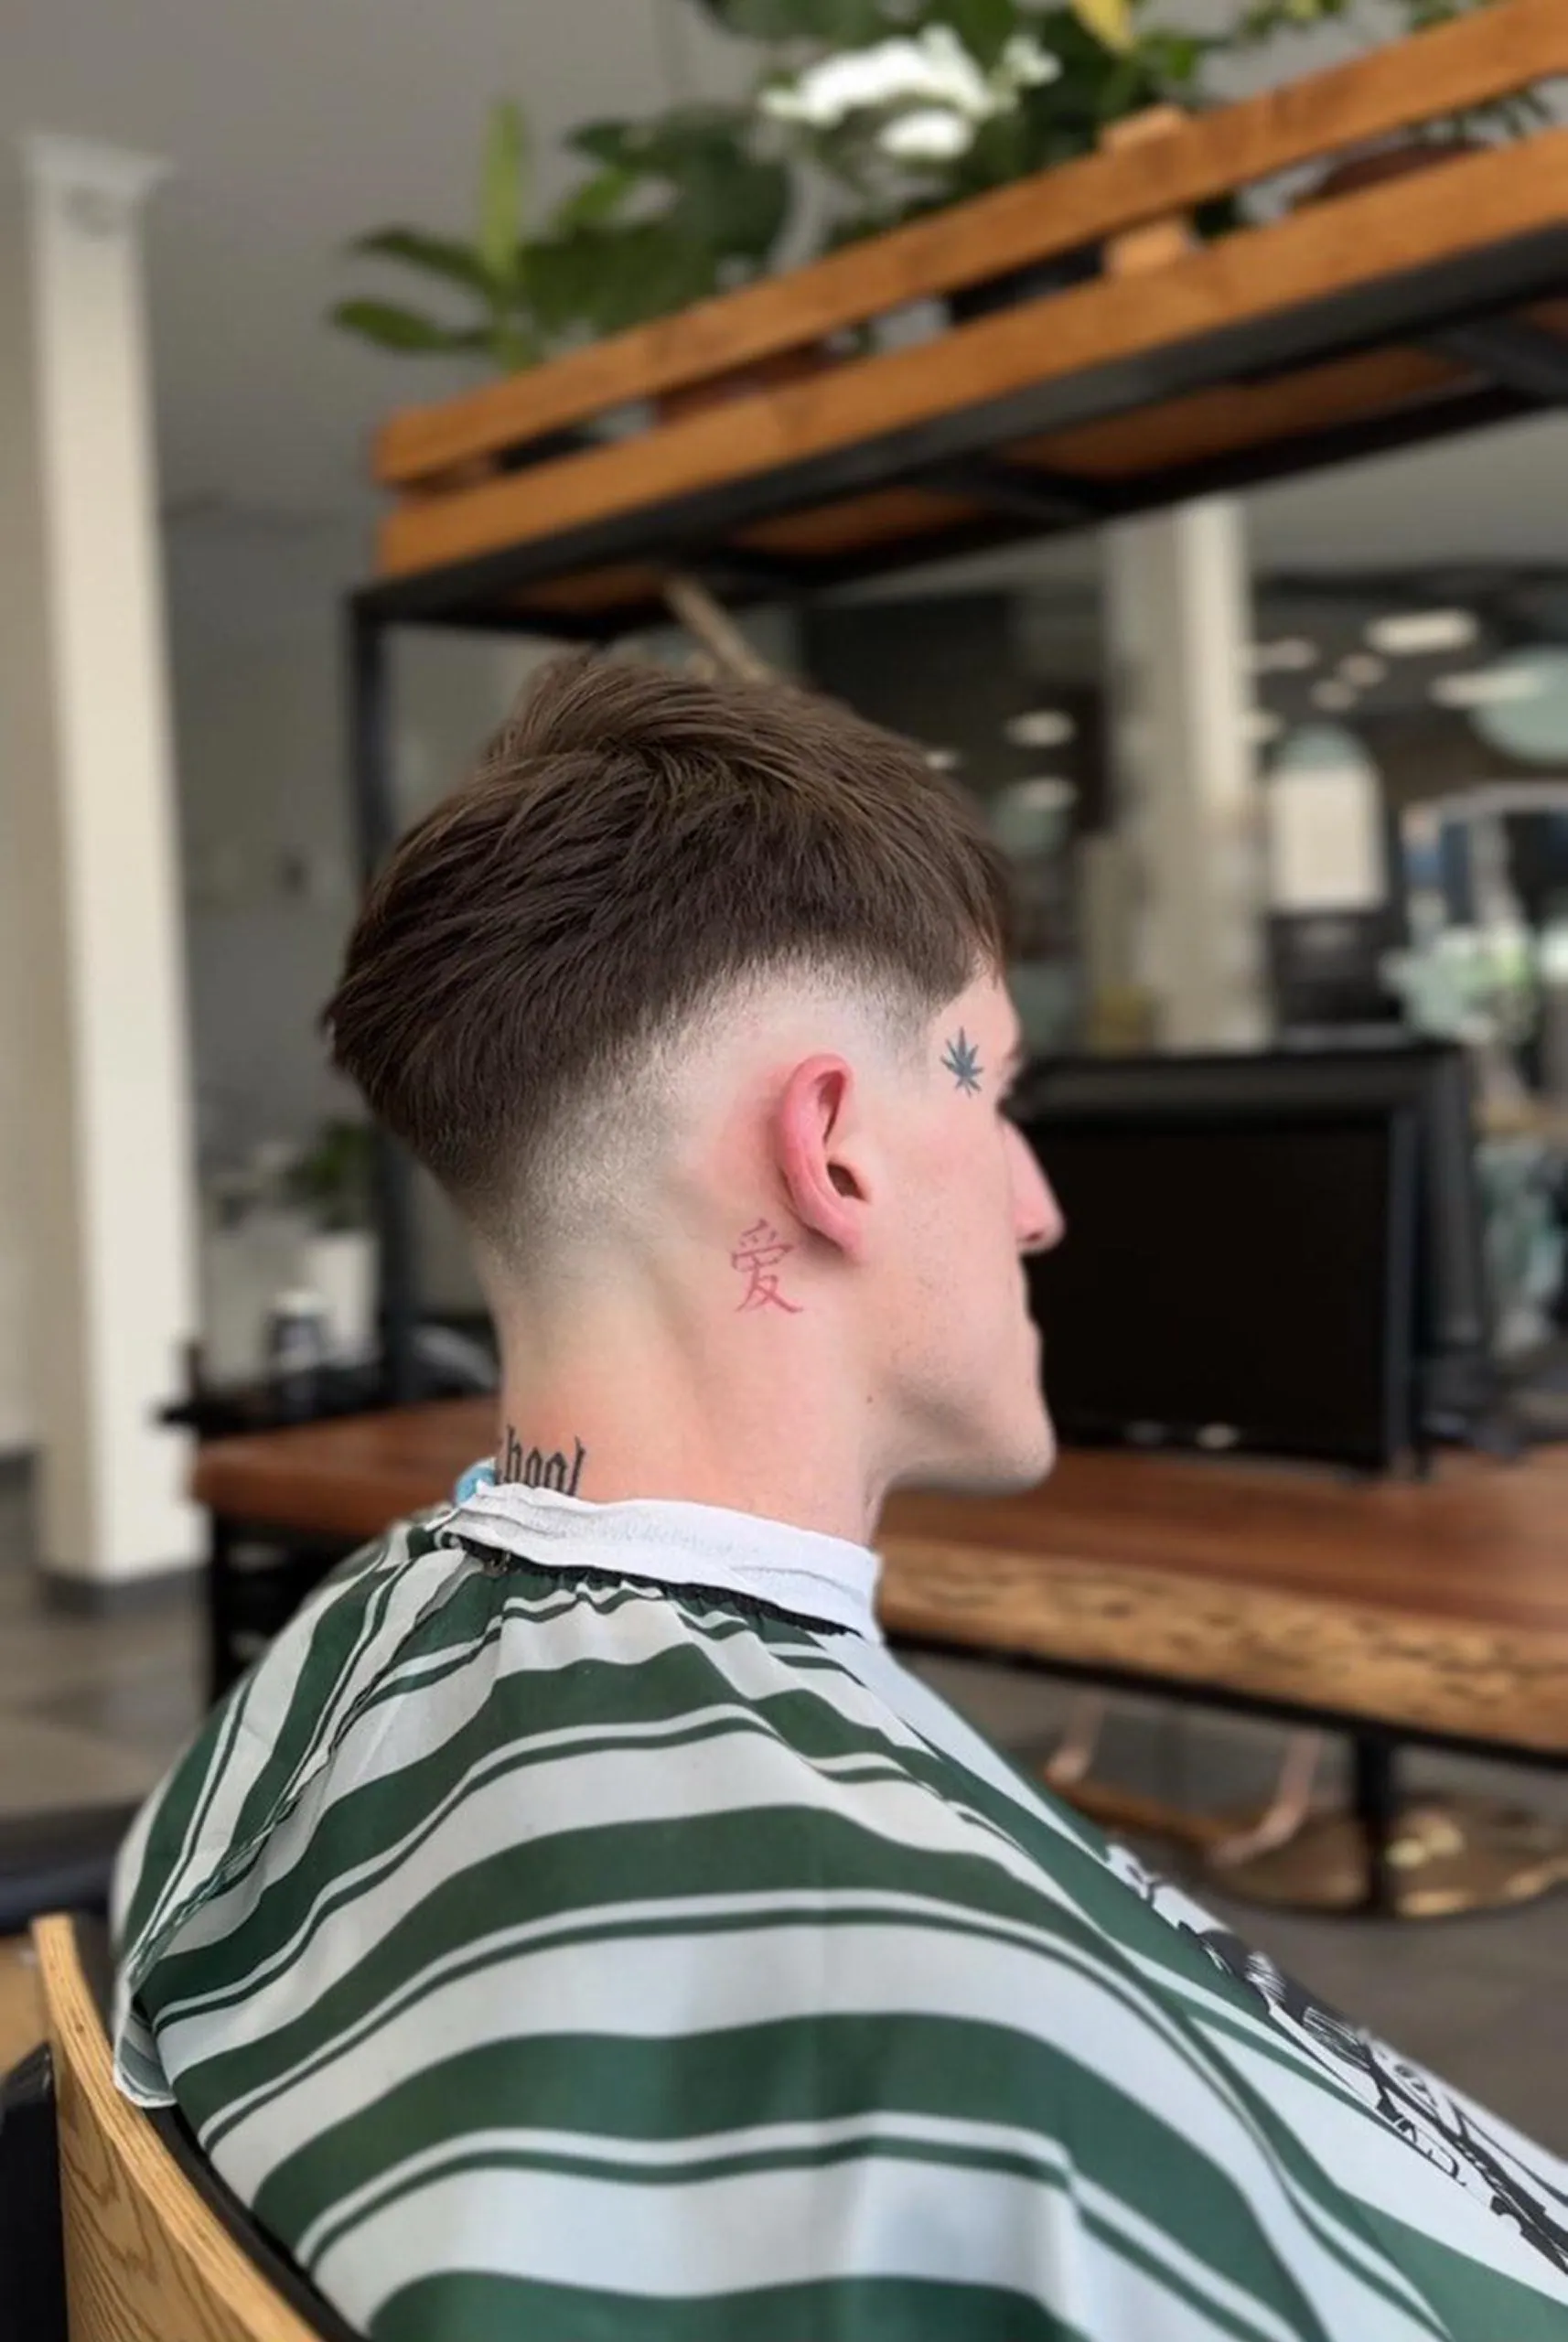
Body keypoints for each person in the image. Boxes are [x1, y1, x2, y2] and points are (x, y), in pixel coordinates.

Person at [114, 655, 1568, 2341]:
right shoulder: (992, 2084)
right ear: (836, 1151)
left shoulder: (313, 1686)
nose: (1037, 1207)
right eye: (994, 1090)